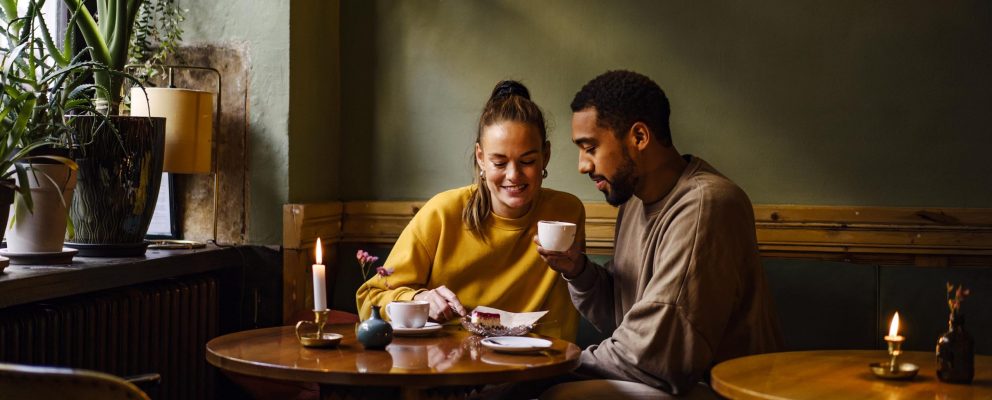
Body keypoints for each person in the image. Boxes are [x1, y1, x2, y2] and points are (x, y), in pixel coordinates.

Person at [536, 70, 783, 398]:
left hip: (721, 390)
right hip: (667, 382)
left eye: (590, 147)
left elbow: (654, 354)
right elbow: (627, 321)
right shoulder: (634, 201)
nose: (582, 165)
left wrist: (545, 372)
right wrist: (578, 271)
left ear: (639, 137)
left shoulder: (707, 204)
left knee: (562, 396)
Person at [356, 80, 583, 340]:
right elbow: (370, 298)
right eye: (499, 162)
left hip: (536, 368)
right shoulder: (442, 213)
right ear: (480, 157)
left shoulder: (566, 212)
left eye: (528, 161)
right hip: (449, 369)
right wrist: (418, 298)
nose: (513, 175)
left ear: (546, 156)